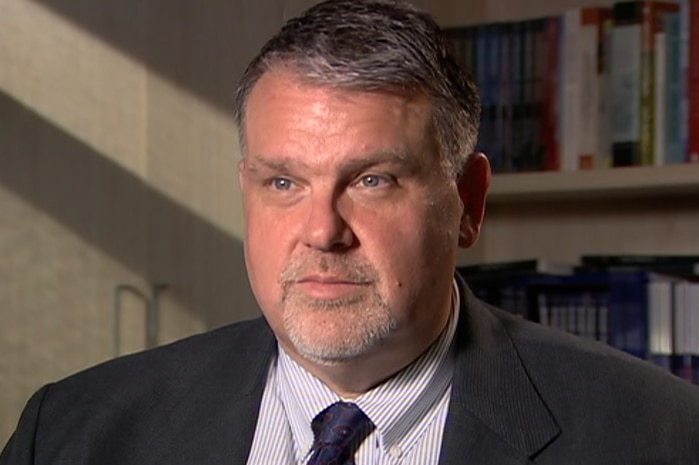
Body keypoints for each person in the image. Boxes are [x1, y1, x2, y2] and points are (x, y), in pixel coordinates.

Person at [2, 0, 699, 463]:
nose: (320, 230)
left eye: (372, 180)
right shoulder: (73, 431)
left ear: (467, 202)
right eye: (284, 182)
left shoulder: (655, 435)